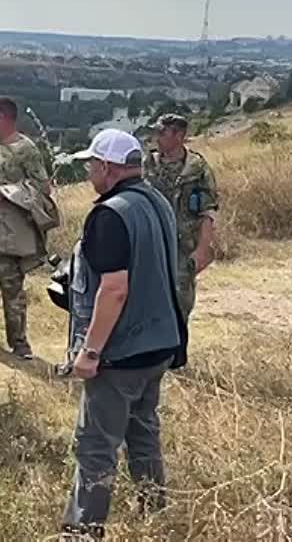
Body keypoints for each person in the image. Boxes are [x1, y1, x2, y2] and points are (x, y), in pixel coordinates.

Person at [61, 129, 187, 539]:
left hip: (121, 353)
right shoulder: (158, 203)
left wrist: (90, 351)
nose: (88, 172)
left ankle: (83, 532)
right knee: (143, 435)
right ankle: (156, 515)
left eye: (92, 165)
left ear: (108, 168)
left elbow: (114, 289)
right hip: (160, 344)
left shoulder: (110, 214)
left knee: (96, 445)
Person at [0, 96, 51, 359]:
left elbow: (42, 187)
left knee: (10, 283)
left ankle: (18, 342)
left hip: (7, 228)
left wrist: (7, 193)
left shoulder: (26, 149)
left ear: (3, 116)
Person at [143, 113, 219, 320]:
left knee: (179, 307)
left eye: (162, 133)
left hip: (183, 249)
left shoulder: (197, 169)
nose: (156, 138)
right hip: (150, 246)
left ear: (179, 136)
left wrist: (202, 250)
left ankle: (176, 351)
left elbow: (207, 212)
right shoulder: (147, 165)